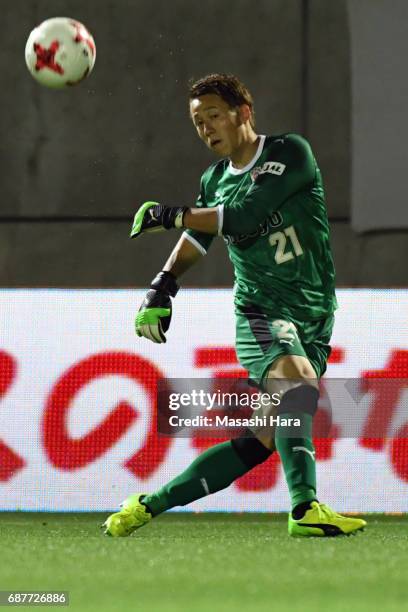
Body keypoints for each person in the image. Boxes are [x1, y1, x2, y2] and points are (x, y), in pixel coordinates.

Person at [103, 73, 366, 537]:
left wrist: (170, 213)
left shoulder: (290, 153)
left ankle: (146, 505)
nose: (205, 129)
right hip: (262, 311)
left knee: (260, 440)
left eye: (212, 116)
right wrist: (163, 286)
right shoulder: (214, 181)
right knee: (297, 383)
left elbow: (245, 215)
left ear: (243, 113)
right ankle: (305, 508)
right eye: (197, 122)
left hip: (315, 315)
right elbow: (198, 238)